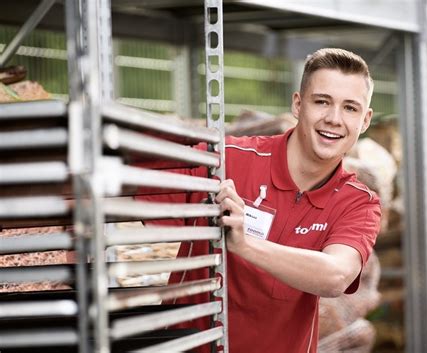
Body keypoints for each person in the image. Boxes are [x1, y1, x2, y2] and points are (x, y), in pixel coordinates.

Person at [139, 48, 381, 353]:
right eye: (322, 102)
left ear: (366, 119)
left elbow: (336, 275)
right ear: (297, 104)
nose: (334, 119)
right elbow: (125, 179)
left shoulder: (357, 202)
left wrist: (245, 244)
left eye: (350, 108)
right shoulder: (226, 161)